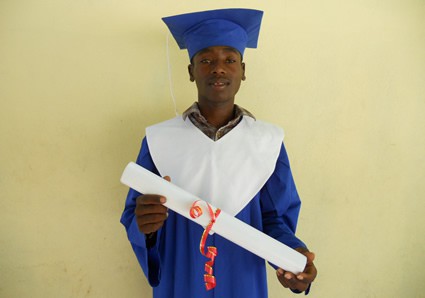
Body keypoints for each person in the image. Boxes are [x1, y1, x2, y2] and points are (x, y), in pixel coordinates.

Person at [120, 8, 317, 297]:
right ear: (191, 71)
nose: (218, 68)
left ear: (243, 70)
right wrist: (145, 227)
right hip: (181, 275)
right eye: (206, 60)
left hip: (242, 277)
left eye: (230, 59)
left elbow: (275, 220)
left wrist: (293, 260)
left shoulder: (266, 141)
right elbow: (135, 215)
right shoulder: (158, 140)